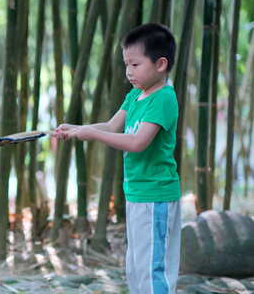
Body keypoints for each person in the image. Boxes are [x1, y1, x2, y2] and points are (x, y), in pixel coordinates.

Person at [54, 23, 180, 294]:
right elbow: (112, 126)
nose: (128, 71)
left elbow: (137, 142)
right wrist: (76, 130)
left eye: (135, 64)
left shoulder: (164, 99)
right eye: (126, 64)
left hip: (155, 195)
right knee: (135, 265)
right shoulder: (135, 95)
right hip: (136, 193)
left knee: (151, 268)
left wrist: (92, 135)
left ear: (160, 64)